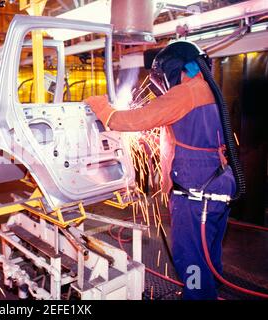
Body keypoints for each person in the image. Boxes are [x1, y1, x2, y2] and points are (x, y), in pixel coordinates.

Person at [85, 40, 245, 300]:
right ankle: (208, 293)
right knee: (209, 254)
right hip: (216, 184)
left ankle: (197, 297)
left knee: (190, 257)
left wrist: (102, 107)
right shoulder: (208, 89)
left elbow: (133, 120)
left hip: (196, 192)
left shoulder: (185, 93)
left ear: (175, 70)